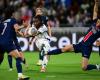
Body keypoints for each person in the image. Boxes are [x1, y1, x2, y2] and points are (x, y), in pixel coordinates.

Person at [47, 0, 100, 71]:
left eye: (99, 21)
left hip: (87, 48)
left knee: (84, 67)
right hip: (81, 44)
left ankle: (97, 67)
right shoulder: (94, 22)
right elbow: (95, 11)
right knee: (64, 49)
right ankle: (48, 53)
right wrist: (96, 3)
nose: (98, 21)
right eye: (98, 20)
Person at [0, 6, 29, 80]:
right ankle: (20, 76)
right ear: (12, 13)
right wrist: (24, 25)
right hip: (7, 42)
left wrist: (20, 33)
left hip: (0, 42)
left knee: (0, 59)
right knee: (18, 57)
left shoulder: (2, 21)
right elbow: (16, 28)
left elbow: (13, 31)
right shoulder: (13, 20)